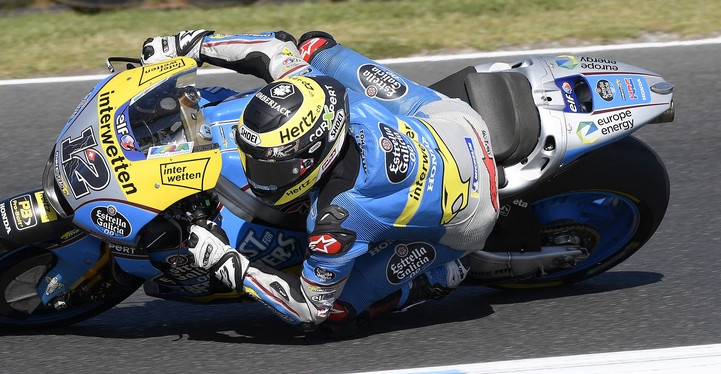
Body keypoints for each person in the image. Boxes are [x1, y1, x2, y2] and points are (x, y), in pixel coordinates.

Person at [141, 30, 499, 333]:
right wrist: (189, 45)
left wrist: (229, 264)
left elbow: (308, 309)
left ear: (316, 156)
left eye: (273, 169)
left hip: (470, 217)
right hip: (450, 122)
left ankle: (433, 278)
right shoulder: (310, 86)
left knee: (337, 310)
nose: (259, 174)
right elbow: (272, 48)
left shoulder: (338, 218)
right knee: (311, 46)